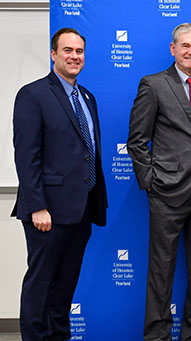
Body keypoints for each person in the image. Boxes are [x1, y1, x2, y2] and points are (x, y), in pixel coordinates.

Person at [127, 23, 191, 341]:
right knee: (161, 270)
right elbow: (137, 140)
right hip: (167, 192)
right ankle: (157, 336)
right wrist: (151, 183)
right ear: (173, 49)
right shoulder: (154, 84)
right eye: (185, 46)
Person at [12, 27, 108, 340]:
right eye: (67, 50)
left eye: (79, 51)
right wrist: (37, 206)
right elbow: (27, 157)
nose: (74, 57)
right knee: (41, 285)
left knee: (65, 286)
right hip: (47, 213)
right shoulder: (33, 94)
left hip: (81, 210)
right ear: (54, 54)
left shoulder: (88, 97)